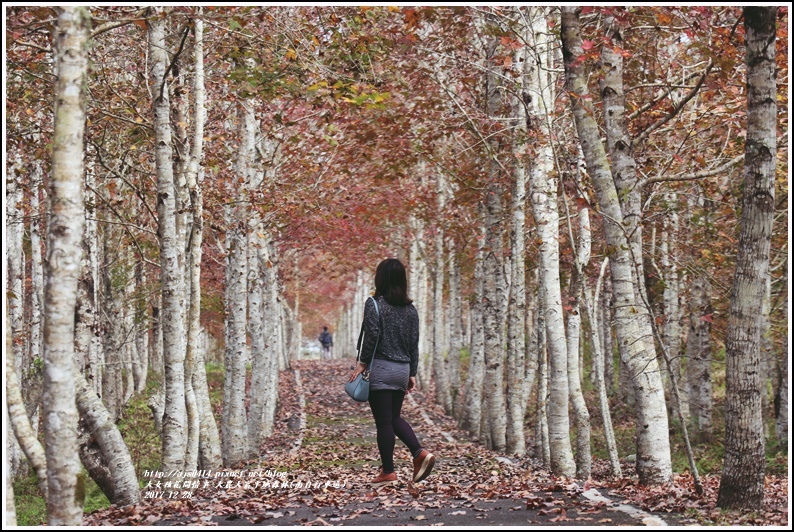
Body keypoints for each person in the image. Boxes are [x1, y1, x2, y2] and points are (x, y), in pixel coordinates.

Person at [348, 258, 436, 487]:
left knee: (384, 422)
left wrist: (362, 363)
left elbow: (372, 336)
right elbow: (413, 343)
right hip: (402, 369)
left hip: (381, 367)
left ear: (381, 278)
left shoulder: (374, 303)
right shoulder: (410, 309)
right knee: (393, 417)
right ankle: (417, 455)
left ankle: (391, 469)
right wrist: (412, 372)